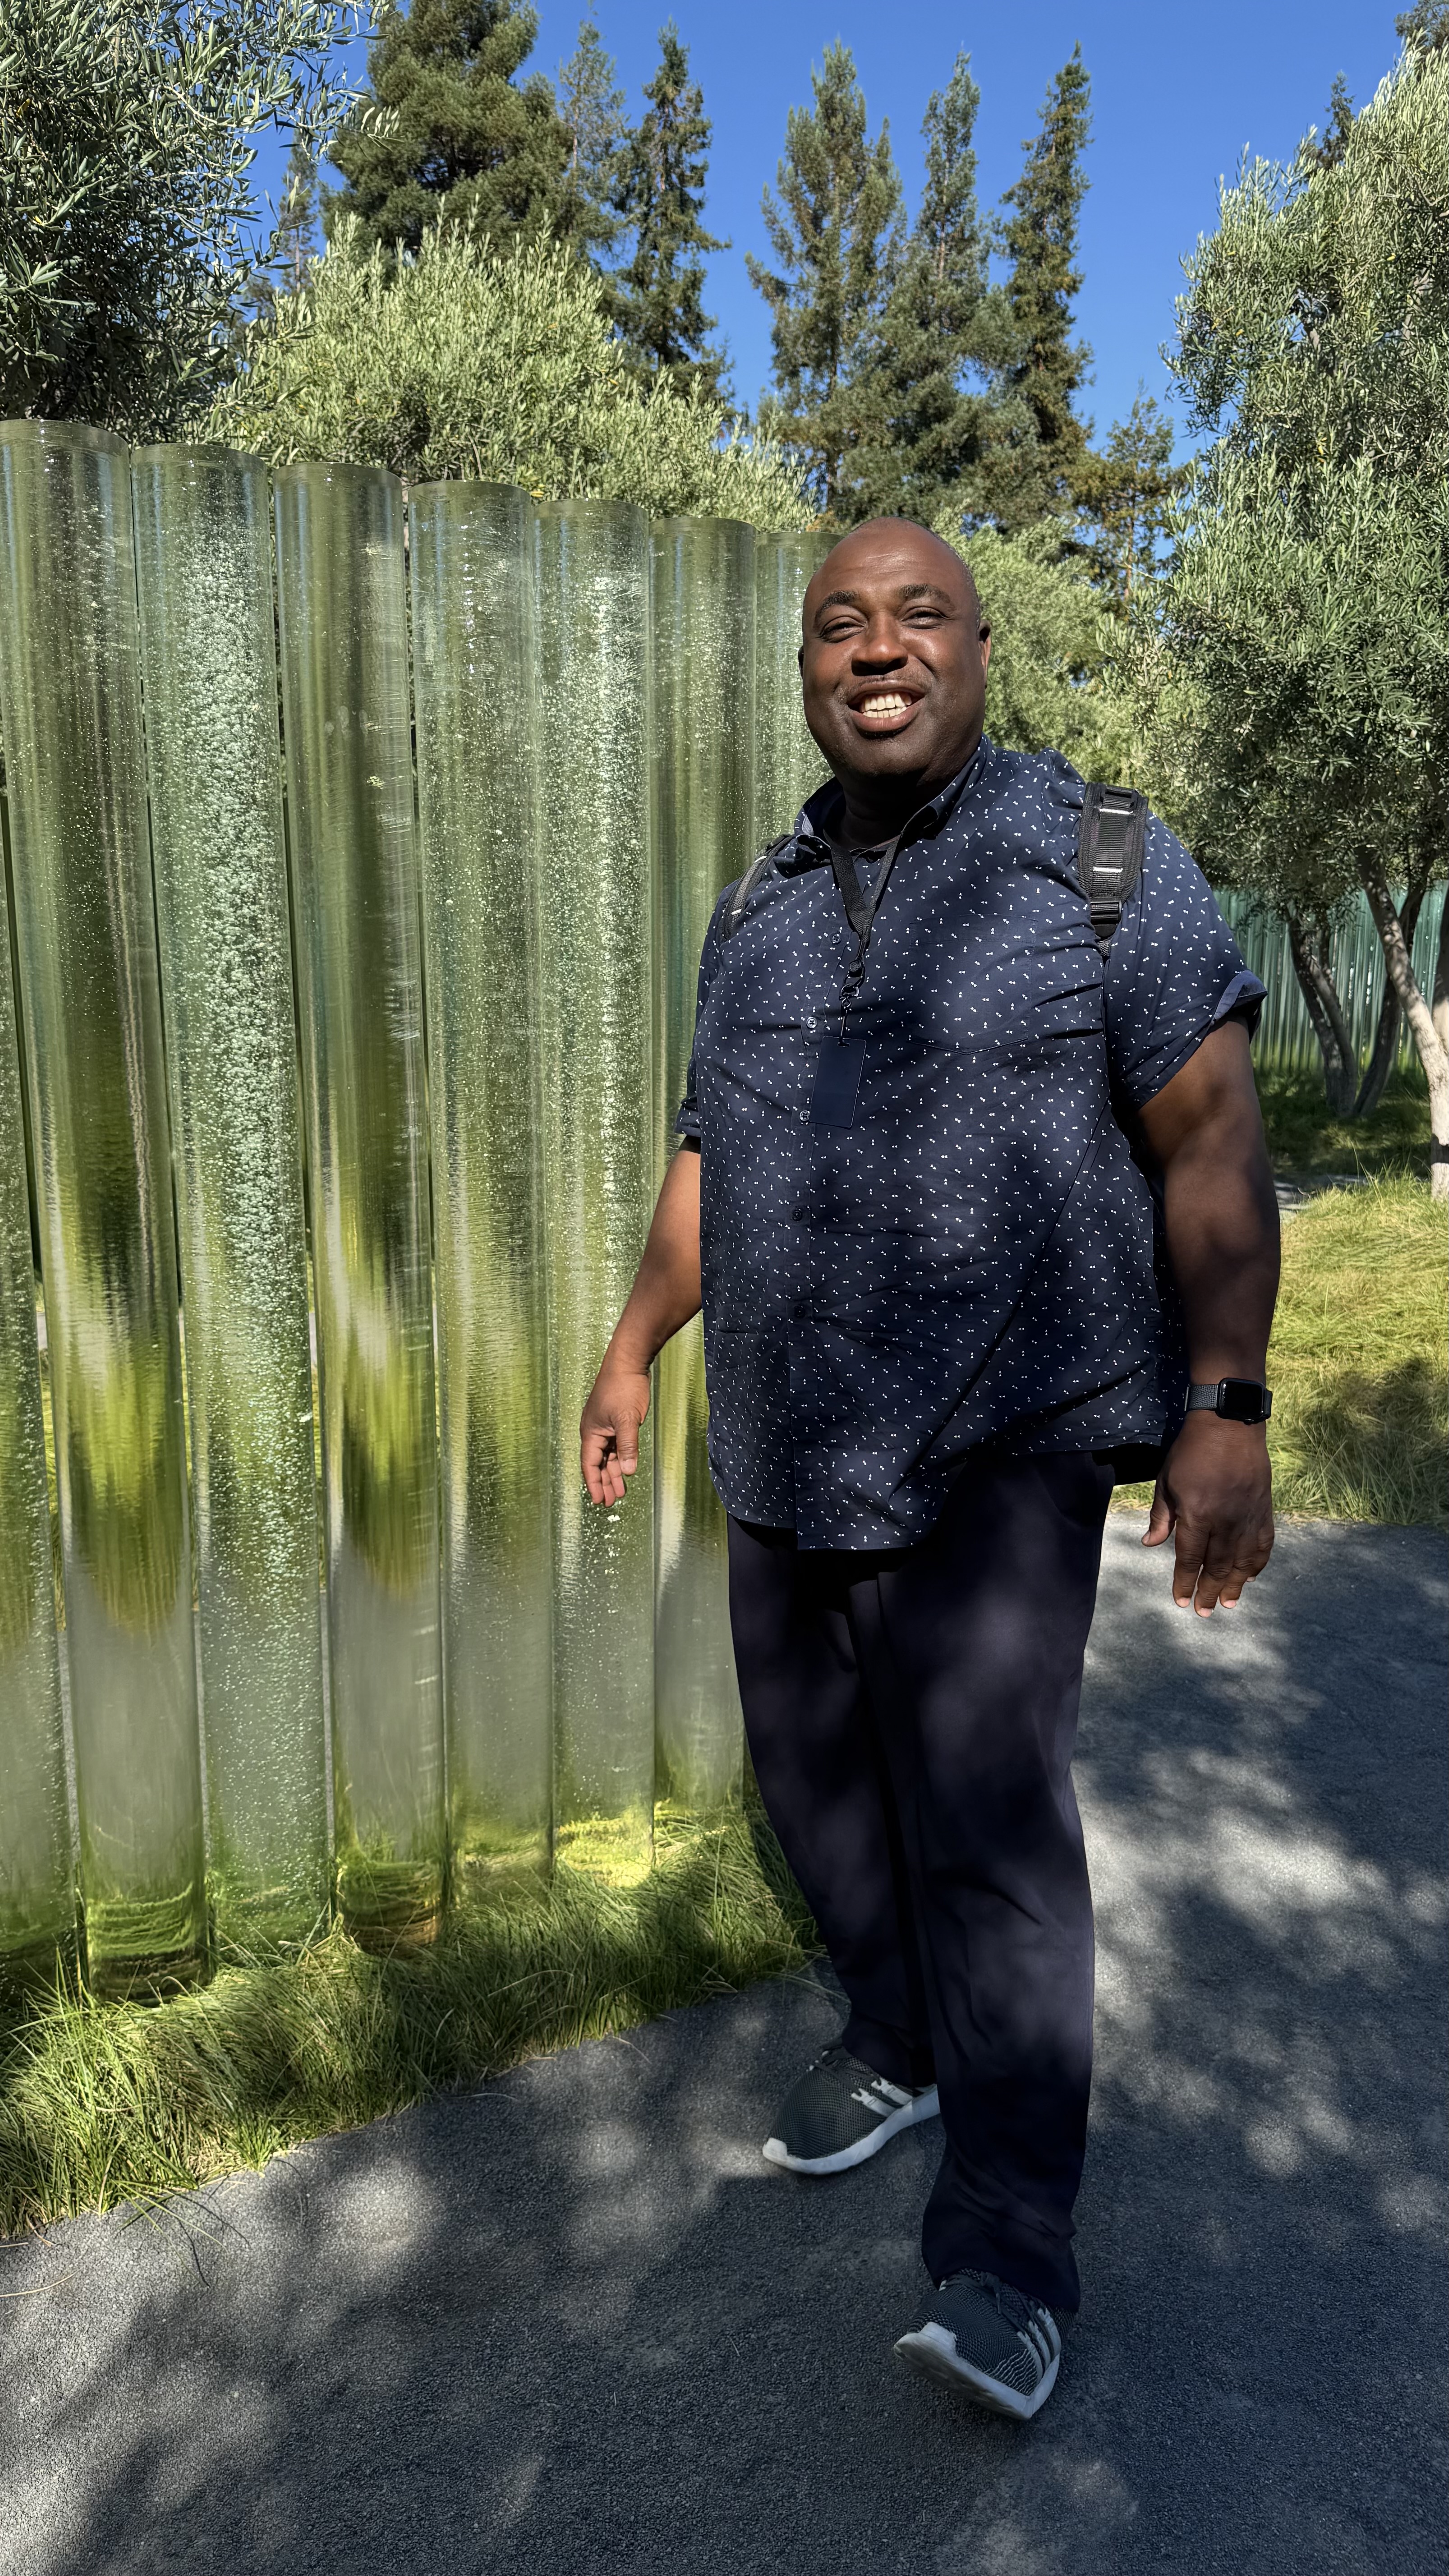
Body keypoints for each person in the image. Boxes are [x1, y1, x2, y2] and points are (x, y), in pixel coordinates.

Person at [580, 518, 1278, 2422]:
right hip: (789, 1445)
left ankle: (1010, 2252)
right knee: (813, 1787)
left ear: (979, 647)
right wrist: (639, 1345)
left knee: (987, 1840)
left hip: (1005, 1446)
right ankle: (897, 2038)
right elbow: (710, 1160)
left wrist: (1230, 1410)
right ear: (804, 667)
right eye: (840, 624)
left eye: (919, 617)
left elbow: (1211, 1137)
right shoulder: (758, 908)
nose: (877, 649)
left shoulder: (1103, 864)